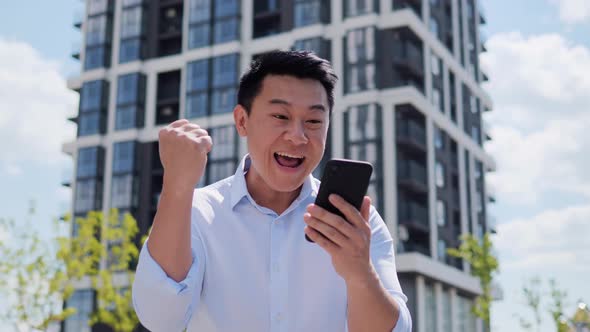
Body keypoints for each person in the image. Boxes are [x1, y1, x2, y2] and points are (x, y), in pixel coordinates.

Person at [132, 50, 412, 332]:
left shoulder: (357, 223)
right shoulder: (196, 212)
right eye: (280, 116)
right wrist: (176, 187)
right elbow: (161, 319)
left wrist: (359, 272)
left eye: (314, 121)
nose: (298, 136)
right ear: (242, 121)